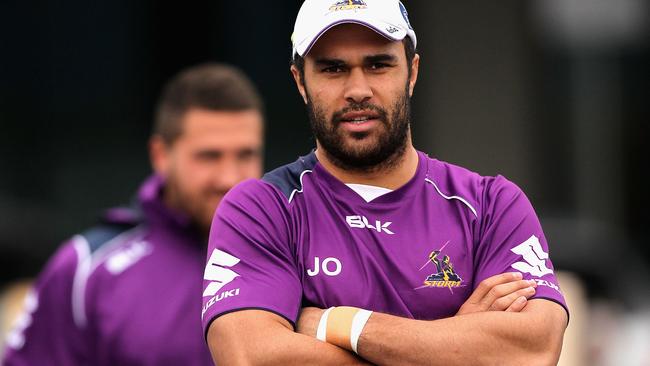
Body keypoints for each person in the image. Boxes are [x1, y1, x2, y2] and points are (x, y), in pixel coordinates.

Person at [202, 1, 568, 365]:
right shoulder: (261, 209)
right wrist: (453, 348)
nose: (358, 90)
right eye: (333, 69)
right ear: (301, 82)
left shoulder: (491, 205)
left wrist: (338, 323)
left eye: (378, 64)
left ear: (411, 72)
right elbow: (251, 358)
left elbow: (530, 351)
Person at [3, 63, 264, 365]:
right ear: (160, 155)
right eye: (209, 156)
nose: (228, 178)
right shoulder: (86, 268)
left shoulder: (295, 253)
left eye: (246, 154)